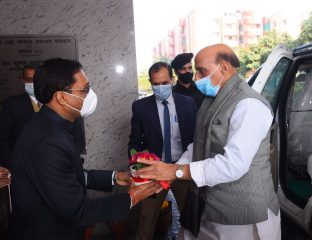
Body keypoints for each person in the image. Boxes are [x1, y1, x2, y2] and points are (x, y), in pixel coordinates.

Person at [136, 44, 281, 240]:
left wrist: (177, 171)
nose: (196, 78)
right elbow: (199, 143)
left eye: (201, 71)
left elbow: (233, 165)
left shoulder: (249, 105)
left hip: (243, 215)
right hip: (210, 205)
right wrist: (171, 171)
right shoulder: (211, 100)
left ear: (224, 67)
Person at [9, 58, 162, 240]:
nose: (90, 95)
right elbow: (78, 211)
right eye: (85, 90)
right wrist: (132, 197)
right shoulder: (47, 141)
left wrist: (116, 177)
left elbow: (67, 175)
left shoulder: (50, 125)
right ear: (61, 97)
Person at [128, 62, 197, 240]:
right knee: (147, 217)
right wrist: (137, 165)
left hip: (182, 168)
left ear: (172, 80)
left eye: (165, 83)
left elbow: (196, 137)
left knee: (189, 216)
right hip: (155, 169)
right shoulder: (141, 107)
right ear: (150, 82)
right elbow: (135, 140)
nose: (160, 88)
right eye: (156, 84)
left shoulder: (188, 103)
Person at [0, 65, 38, 168]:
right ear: (23, 80)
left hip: (50, 166)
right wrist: (10, 166)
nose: (33, 83)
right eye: (28, 80)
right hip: (22, 166)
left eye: (36, 79)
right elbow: (3, 139)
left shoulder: (54, 101)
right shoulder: (12, 104)